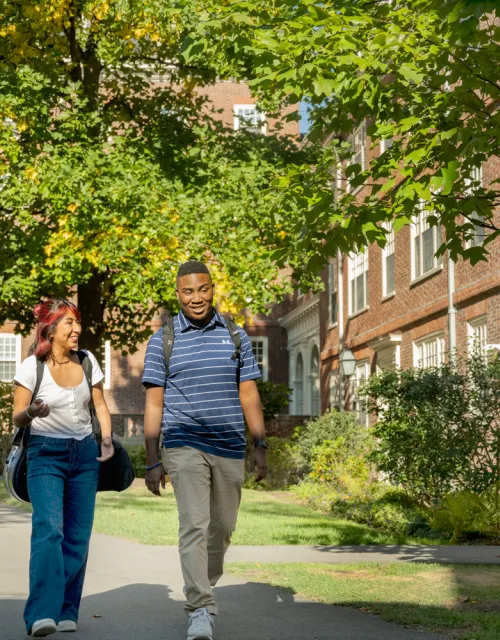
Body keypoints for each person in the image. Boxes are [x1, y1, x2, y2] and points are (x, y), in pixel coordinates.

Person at [142, 260, 268, 640]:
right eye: (187, 291)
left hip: (229, 444)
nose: (196, 298)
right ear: (177, 293)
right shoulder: (163, 340)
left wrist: (259, 444)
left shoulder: (236, 335)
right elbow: (153, 403)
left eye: (203, 289)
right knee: (194, 525)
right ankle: (200, 607)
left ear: (213, 289)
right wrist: (152, 459)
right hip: (183, 443)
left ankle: (203, 587)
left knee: (223, 528)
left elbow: (249, 393)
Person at [12, 299, 114, 637]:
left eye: (78, 322)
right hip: (45, 455)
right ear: (51, 328)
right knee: (49, 530)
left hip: (84, 456)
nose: (77, 329)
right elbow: (17, 414)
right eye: (69, 323)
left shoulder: (87, 361)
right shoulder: (32, 366)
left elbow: (99, 404)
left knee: (78, 537)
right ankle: (41, 613)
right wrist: (32, 413)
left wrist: (107, 439)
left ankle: (67, 609)